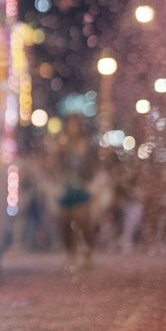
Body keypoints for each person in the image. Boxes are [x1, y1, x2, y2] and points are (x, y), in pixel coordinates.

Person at [55, 114, 97, 269]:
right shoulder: (64, 144)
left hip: (82, 186)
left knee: (82, 220)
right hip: (66, 187)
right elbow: (57, 165)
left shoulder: (86, 144)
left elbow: (93, 166)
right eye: (70, 124)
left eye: (75, 124)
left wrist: (92, 184)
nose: (72, 127)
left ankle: (87, 252)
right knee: (64, 221)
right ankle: (70, 253)